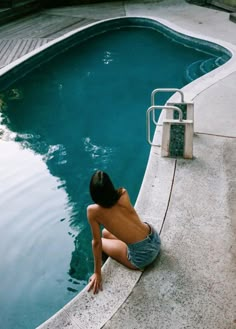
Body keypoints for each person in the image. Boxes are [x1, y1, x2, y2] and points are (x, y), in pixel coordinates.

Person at [86, 170, 161, 294]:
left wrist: (97, 273)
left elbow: (96, 243)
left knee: (101, 241)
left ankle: (105, 263)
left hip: (143, 256)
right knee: (105, 232)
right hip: (154, 237)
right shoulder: (123, 193)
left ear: (93, 194)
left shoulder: (93, 211)